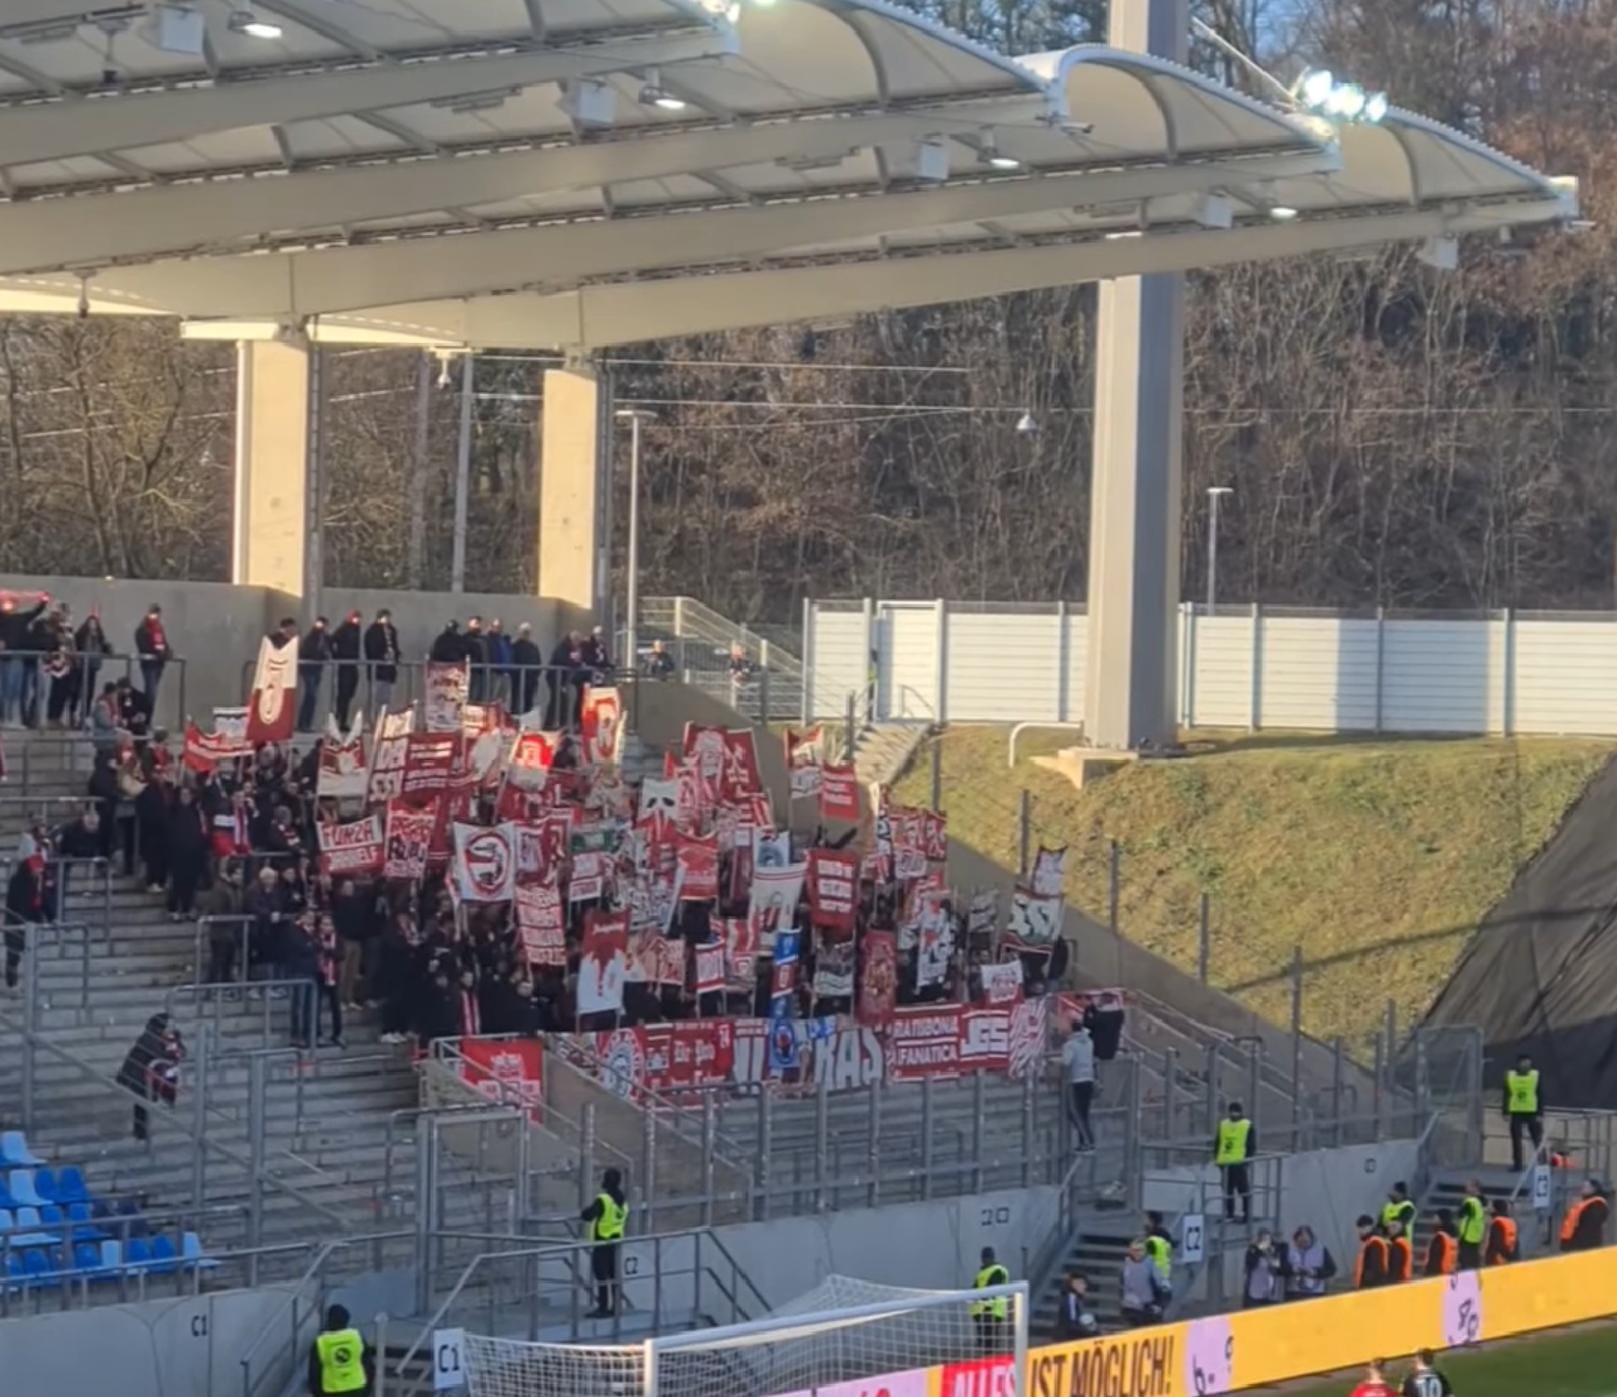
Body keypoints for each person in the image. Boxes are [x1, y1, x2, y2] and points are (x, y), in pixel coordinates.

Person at [117, 1012, 183, 1143]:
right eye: (169, 1026)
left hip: (148, 1075)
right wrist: (173, 1047)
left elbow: (180, 1052)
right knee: (142, 1101)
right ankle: (140, 1132)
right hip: (138, 1074)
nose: (171, 1029)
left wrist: (175, 1044)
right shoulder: (149, 1037)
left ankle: (141, 1131)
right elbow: (162, 1054)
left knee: (144, 1101)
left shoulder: (165, 1037)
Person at [581, 1168, 628, 1318]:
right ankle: (615, 1306)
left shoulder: (604, 1199)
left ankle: (602, 1307)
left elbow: (588, 1216)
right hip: (616, 1242)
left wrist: (585, 1211)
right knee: (613, 1276)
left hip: (602, 1241)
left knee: (601, 1276)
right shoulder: (622, 1199)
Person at [4, 832, 45, 989]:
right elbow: (18, 902)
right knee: (14, 952)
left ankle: (27, 983)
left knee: (28, 952)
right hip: (16, 918)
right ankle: (12, 976)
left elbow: (41, 899)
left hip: (28, 918)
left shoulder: (36, 878)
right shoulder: (19, 879)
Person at [0, 590, 47, 726]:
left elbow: (35, 612)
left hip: (16, 658)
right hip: (3, 658)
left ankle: (11, 718)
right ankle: (3, 717)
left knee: (14, 690)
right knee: (2, 691)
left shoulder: (21, 618)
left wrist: (43, 601)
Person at [306, 1302, 373, 1396]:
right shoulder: (357, 1337)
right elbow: (368, 1365)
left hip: (332, 1390)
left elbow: (314, 1373)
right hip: (357, 1388)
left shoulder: (321, 1342)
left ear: (328, 1320)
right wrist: (367, 1389)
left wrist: (317, 1393)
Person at [166, 784, 210, 921]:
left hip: (194, 853)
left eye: (188, 795)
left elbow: (202, 832)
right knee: (178, 882)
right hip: (178, 853)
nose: (186, 798)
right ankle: (173, 909)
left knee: (191, 883)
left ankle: (187, 908)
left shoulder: (196, 812)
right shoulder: (174, 811)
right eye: (183, 795)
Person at [201, 860, 246, 984]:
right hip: (220, 933)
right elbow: (217, 910)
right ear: (230, 874)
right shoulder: (221, 889)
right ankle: (210, 987)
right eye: (237, 874)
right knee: (218, 961)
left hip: (231, 932)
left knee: (228, 962)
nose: (240, 877)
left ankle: (224, 985)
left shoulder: (236, 889)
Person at [1215, 1100, 1254, 1222]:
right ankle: (1230, 1214)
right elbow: (1218, 1142)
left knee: (1243, 1189)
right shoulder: (1223, 1124)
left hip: (1239, 1162)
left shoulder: (1247, 1125)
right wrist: (1216, 1158)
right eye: (1232, 1111)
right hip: (1225, 1162)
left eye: (1236, 1112)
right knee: (1227, 1189)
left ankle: (1246, 1214)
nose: (1234, 1114)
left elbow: (1251, 1145)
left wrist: (1247, 1160)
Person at [1504, 1053, 1543, 1173]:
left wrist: (1540, 1113)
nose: (1527, 1064)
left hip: (1532, 1111)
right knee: (1516, 1139)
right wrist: (1505, 1111)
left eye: (1528, 1062)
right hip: (1516, 1111)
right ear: (1518, 1063)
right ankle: (1517, 1164)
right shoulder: (1510, 1075)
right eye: (1524, 1062)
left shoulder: (1535, 1075)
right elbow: (1506, 1094)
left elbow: (1540, 1094)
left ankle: (1543, 1163)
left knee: (1537, 1138)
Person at [969, 1246, 1012, 1352]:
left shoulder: (997, 1271)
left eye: (985, 1258)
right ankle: (987, 1360)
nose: (983, 1260)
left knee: (989, 1343)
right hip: (983, 1312)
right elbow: (976, 1288)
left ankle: (990, 1361)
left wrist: (986, 1308)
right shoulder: (983, 1272)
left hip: (991, 1312)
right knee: (985, 1342)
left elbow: (992, 1291)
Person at [1119, 1239, 1169, 1329]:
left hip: (1148, 1309)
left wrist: (1158, 1306)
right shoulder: (1126, 1265)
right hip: (1130, 1309)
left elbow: (1161, 1288)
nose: (1136, 1253)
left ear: (1145, 1251)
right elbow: (1122, 1286)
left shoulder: (1151, 1265)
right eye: (1134, 1250)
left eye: (1139, 1250)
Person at [1062, 1020, 1096, 1149]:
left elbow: (1066, 1062)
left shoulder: (1070, 1045)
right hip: (1089, 1078)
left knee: (1074, 1112)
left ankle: (1087, 1140)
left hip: (1077, 1080)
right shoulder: (1089, 1042)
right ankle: (1084, 1141)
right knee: (1084, 1112)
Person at [73, 611, 110, 726]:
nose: (93, 626)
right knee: (78, 692)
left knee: (89, 693)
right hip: (81, 667)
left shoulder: (99, 637)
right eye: (91, 623)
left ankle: (85, 716)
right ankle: (74, 714)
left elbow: (105, 648)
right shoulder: (81, 635)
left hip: (93, 667)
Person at [363, 609, 401, 715]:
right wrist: (380, 656)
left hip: (389, 669)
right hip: (377, 669)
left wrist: (396, 655)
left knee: (386, 697)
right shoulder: (373, 631)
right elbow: (371, 649)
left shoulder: (392, 630)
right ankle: (372, 719)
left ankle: (383, 717)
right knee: (375, 696)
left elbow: (394, 645)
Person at [1284, 1224, 1336, 1299]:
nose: (1303, 1241)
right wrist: (1293, 1270)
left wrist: (1315, 1272)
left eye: (1306, 1239)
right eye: (1300, 1238)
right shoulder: (1288, 1250)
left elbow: (1331, 1269)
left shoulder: (1321, 1250)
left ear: (1311, 1238)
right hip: (1294, 1292)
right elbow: (1283, 1269)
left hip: (1315, 1292)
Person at [297, 616, 330, 731]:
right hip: (308, 669)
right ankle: (303, 724)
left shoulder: (324, 637)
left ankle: (306, 723)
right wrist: (321, 656)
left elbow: (327, 649)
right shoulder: (311, 637)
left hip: (316, 669)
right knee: (310, 696)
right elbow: (309, 652)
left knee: (311, 697)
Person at [331, 611, 363, 729]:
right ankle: (340, 720)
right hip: (345, 664)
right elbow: (332, 639)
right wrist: (337, 656)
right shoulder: (344, 628)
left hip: (352, 663)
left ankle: (342, 719)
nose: (358, 620)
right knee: (343, 693)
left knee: (350, 692)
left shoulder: (356, 629)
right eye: (356, 618)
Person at [133, 603, 169, 708]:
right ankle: (147, 715)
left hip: (159, 663)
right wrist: (157, 652)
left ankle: (148, 714)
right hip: (149, 664)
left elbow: (164, 643)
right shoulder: (143, 629)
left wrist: (166, 652)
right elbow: (143, 646)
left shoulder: (159, 628)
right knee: (150, 693)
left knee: (153, 691)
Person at [1559, 1178, 1609, 1252]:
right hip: (1577, 1243)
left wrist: (1575, 1245)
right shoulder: (1586, 1203)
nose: (1582, 1189)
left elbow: (1589, 1227)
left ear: (1593, 1189)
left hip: (1584, 1245)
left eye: (1585, 1187)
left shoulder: (1597, 1204)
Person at [545, 631, 581, 729]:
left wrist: (576, 662)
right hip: (554, 677)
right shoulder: (562, 647)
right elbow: (563, 660)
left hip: (563, 679)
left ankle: (559, 724)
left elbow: (577, 661)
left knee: (561, 700)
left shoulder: (572, 649)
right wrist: (574, 662)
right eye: (576, 640)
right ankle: (551, 724)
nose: (577, 643)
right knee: (557, 700)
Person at [1243, 1229, 1284, 1307]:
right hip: (1255, 1291)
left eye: (1267, 1240)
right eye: (1262, 1240)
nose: (1265, 1243)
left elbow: (1279, 1268)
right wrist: (1258, 1250)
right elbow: (1251, 1264)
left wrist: (1270, 1255)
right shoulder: (1252, 1252)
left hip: (1270, 1292)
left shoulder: (1273, 1252)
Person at [1056, 1270, 1100, 1340]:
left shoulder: (1073, 1298)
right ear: (1074, 1284)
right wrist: (1089, 1333)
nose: (1085, 1287)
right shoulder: (1071, 1298)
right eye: (1082, 1283)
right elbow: (1071, 1324)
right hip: (1067, 1340)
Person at [510, 622, 542, 714]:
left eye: (527, 632)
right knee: (515, 701)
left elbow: (538, 663)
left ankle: (526, 722)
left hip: (530, 680)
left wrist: (534, 676)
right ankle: (515, 721)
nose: (526, 634)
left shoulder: (533, 647)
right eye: (524, 632)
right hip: (517, 679)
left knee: (528, 703)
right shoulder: (515, 646)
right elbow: (512, 661)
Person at [1456, 1180, 1487, 1269]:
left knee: (1466, 1264)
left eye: (1469, 1186)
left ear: (1475, 1188)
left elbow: (1460, 1214)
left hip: (1468, 1237)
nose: (1466, 1188)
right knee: (1474, 1264)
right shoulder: (1482, 1203)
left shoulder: (1471, 1202)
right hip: (1476, 1237)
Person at [1354, 1215, 1389, 1289]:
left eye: (1363, 1228)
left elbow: (1375, 1269)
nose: (1360, 1230)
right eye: (1359, 1228)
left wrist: (1365, 1285)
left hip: (1371, 1287)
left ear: (1370, 1227)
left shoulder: (1374, 1243)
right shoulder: (1369, 1242)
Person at [1143, 1211, 1173, 1290]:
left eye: (1147, 1219)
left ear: (1152, 1221)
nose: (1145, 1221)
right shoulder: (1160, 1232)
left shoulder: (1157, 1234)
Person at [1424, 1210, 1458, 1276]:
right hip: (1449, 1273)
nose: (1433, 1221)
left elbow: (1435, 1259)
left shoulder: (1440, 1237)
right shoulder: (1453, 1237)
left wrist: (1428, 1273)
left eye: (1435, 1218)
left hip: (1437, 1274)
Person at [1486, 1198, 1518, 1266]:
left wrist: (1491, 1257)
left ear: (1495, 1209)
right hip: (1510, 1257)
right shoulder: (1511, 1221)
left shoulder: (1497, 1222)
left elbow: (1496, 1243)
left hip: (1498, 1260)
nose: (1489, 1209)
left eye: (1491, 1207)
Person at [1385, 1218, 1413, 1283]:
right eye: (1389, 1227)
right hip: (1404, 1278)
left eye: (1393, 1226)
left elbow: (1395, 1266)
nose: (1390, 1229)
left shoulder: (1398, 1244)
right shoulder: (1404, 1241)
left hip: (1398, 1280)